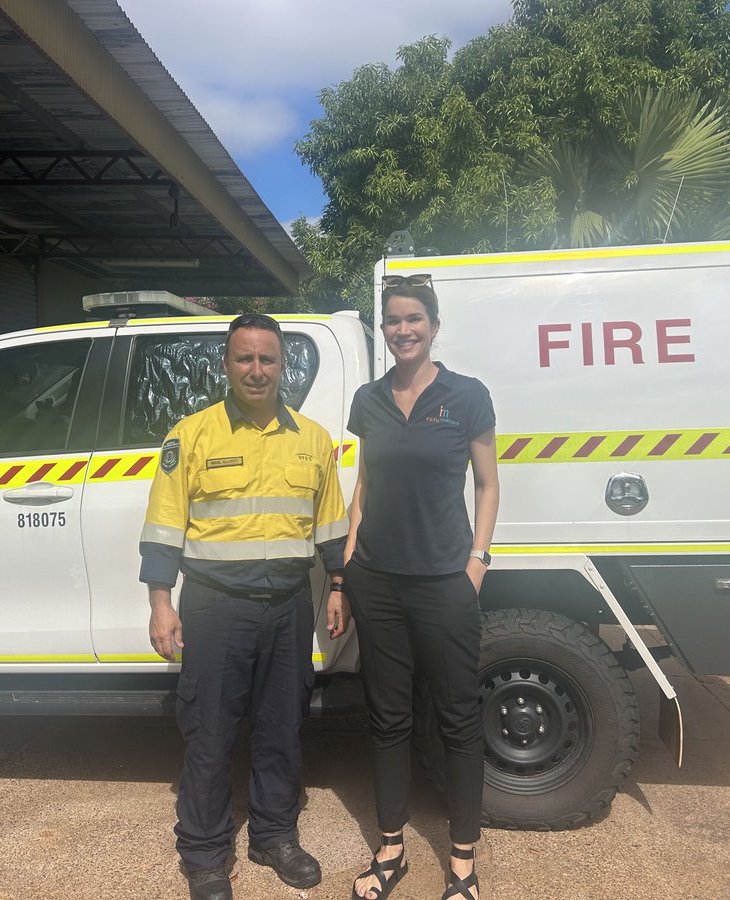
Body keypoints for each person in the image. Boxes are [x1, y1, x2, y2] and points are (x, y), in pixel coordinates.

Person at [139, 313, 350, 900]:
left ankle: (275, 836)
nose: (257, 370)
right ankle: (205, 854)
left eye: (268, 359)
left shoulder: (312, 440)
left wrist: (338, 585)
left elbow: (331, 525)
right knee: (210, 730)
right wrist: (162, 603)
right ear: (226, 364)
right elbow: (162, 528)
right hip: (214, 605)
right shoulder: (192, 435)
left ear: (284, 366)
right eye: (244, 359)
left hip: (286, 605)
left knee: (284, 726)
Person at [343, 273, 500, 900]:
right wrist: (351, 557)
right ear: (383, 331)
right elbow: (365, 483)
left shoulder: (467, 396)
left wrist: (476, 564)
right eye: (392, 321)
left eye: (414, 319)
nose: (403, 330)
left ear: (434, 325)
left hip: (444, 582)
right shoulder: (368, 400)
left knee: (459, 720)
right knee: (387, 719)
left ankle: (463, 860)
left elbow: (487, 483)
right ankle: (390, 851)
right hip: (377, 580)